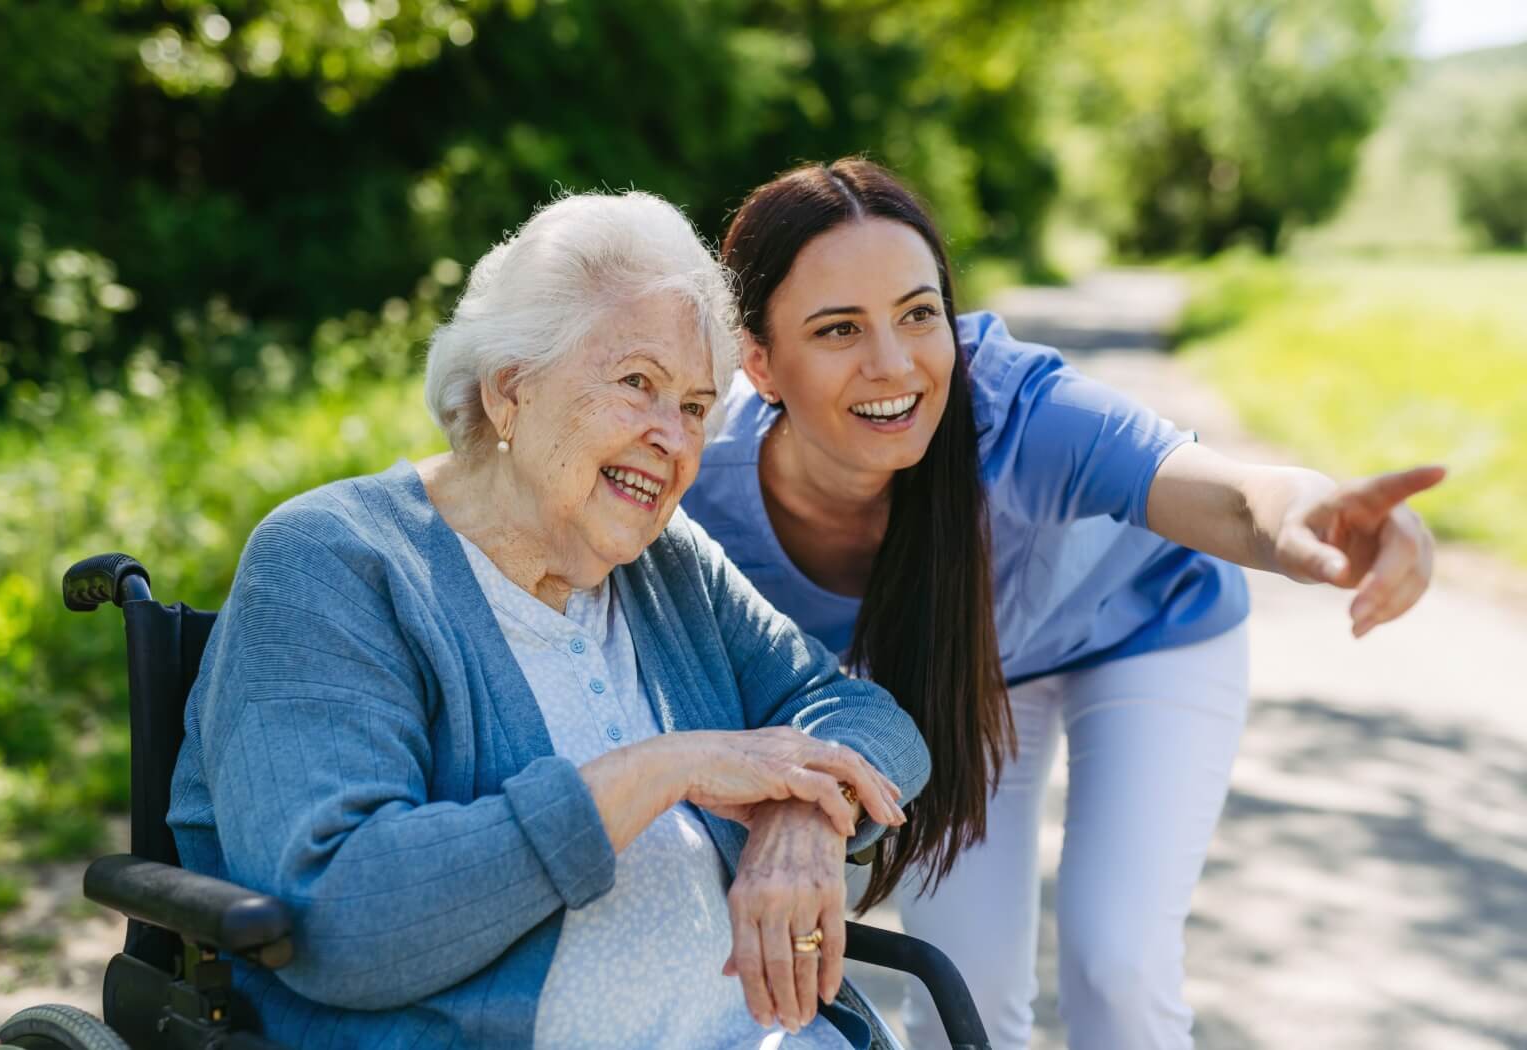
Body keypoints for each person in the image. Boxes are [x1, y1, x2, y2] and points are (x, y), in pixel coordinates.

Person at [680, 158, 1443, 1050]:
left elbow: (1231, 495)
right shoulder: (705, 489)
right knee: (967, 987)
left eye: (919, 314)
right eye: (838, 328)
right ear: (759, 361)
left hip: (1145, 631)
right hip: (961, 670)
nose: (894, 364)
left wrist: (1313, 514)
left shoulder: (1013, 412)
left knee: (1116, 964)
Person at [166, 190, 932, 1050]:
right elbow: (339, 918)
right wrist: (661, 771)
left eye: (691, 406)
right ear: (509, 392)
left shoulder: (665, 563)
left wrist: (805, 817)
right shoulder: (335, 565)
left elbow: (866, 718)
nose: (671, 440)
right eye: (637, 384)